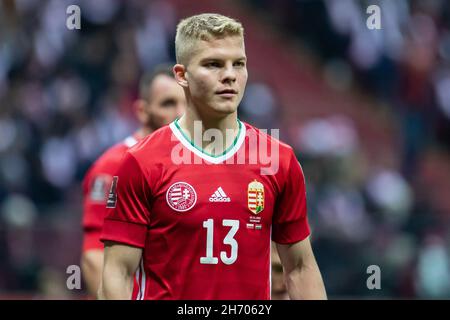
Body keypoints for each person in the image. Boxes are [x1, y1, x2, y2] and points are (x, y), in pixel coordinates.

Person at [98, 13, 327, 300]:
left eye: (238, 64)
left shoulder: (277, 159)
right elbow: (117, 272)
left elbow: (300, 268)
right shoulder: (141, 161)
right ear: (182, 75)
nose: (230, 74)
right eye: (214, 64)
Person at [81, 65, 186, 297]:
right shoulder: (113, 167)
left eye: (186, 103)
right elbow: (94, 258)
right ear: (142, 111)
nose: (181, 113)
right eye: (168, 104)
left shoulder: (192, 164)